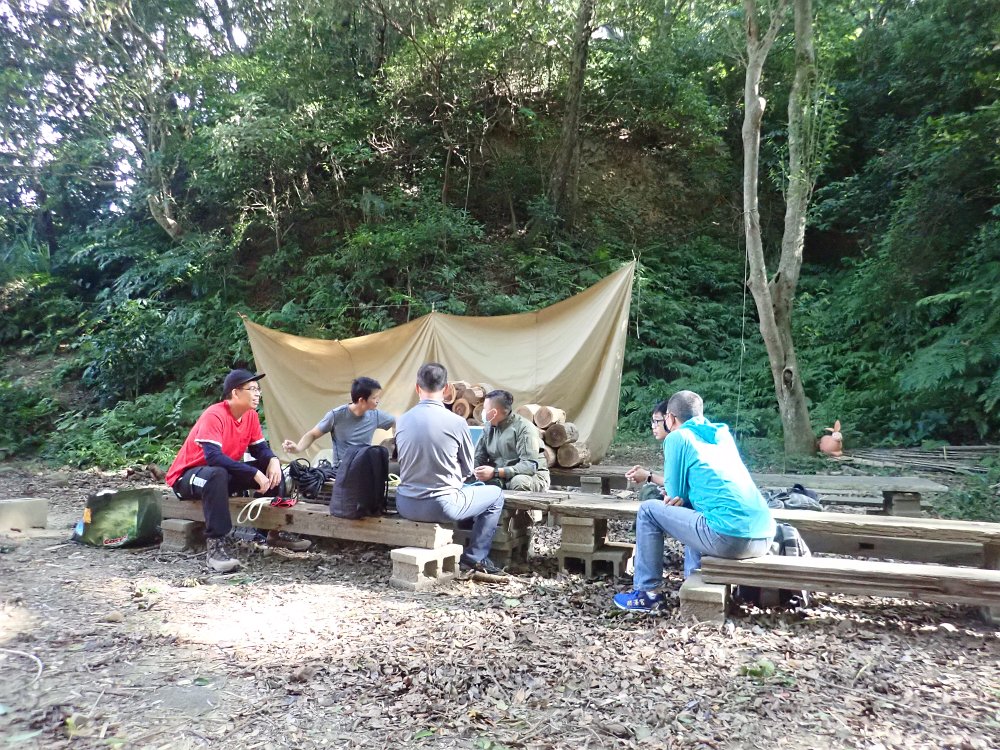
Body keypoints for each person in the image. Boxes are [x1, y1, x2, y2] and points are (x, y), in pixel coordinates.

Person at [614, 390, 775, 612]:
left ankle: (647, 593)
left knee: (648, 510)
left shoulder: (677, 437)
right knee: (696, 511)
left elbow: (675, 494)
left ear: (670, 418)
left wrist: (660, 484)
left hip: (730, 537)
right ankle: (693, 579)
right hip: (764, 536)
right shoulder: (722, 434)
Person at [165, 369, 311, 573]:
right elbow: (213, 458)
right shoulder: (215, 415)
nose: (258, 394)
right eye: (252, 389)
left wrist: (273, 460)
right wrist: (252, 473)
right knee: (217, 474)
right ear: (235, 393)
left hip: (219, 477)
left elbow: (260, 449)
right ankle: (215, 547)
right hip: (188, 478)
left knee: (271, 470)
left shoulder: (250, 416)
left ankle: (274, 532)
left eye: (258, 390)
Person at [394, 362, 507, 575]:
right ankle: (475, 557)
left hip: (405, 504)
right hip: (441, 506)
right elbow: (468, 468)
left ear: (417, 388)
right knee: (496, 495)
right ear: (447, 389)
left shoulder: (401, 420)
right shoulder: (457, 422)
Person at [281, 376, 395, 474]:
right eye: (374, 398)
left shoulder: (376, 415)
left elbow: (396, 422)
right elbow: (313, 434)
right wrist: (298, 448)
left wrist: (397, 440)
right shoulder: (336, 415)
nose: (378, 400)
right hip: (341, 471)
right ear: (362, 400)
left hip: (364, 469)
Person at [473, 389, 551, 491]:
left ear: (494, 412)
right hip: (500, 477)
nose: (483, 412)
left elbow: (529, 466)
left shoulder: (524, 428)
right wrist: (470, 471)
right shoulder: (488, 428)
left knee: (519, 482)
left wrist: (495, 472)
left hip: (530, 476)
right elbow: (478, 458)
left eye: (485, 409)